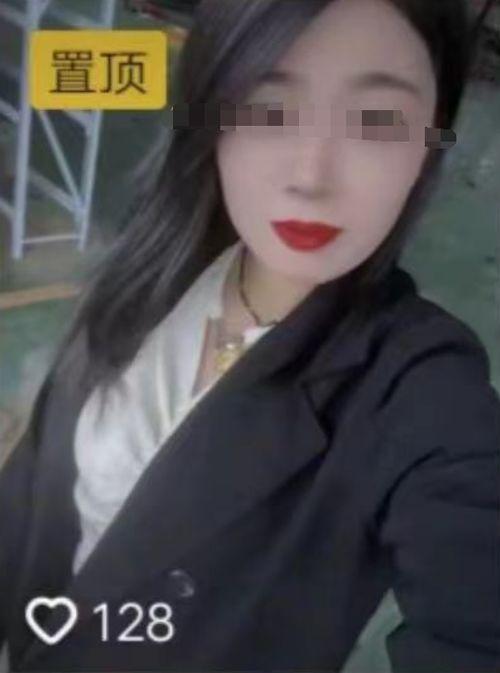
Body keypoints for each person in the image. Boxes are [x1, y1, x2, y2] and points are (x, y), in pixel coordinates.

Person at [1, 0, 499, 671]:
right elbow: (35, 489)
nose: (310, 177)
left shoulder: (420, 388)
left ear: (429, 146)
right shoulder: (163, 264)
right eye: (267, 111)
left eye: (378, 121)